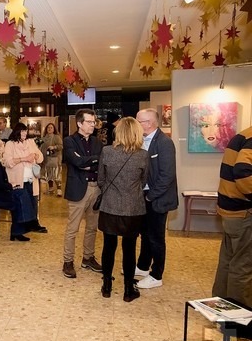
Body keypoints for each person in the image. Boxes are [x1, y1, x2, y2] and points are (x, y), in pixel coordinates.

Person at [98, 117, 148, 303]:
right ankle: (128, 289)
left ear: (118, 132)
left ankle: (106, 286)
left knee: (108, 247)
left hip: (110, 206)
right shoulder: (142, 155)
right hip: (133, 208)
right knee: (129, 249)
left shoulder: (107, 151)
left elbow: (101, 179)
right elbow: (144, 181)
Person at [135, 108, 178, 289]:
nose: (136, 125)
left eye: (139, 121)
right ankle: (143, 266)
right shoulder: (142, 141)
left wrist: (150, 197)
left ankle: (156, 274)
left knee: (156, 238)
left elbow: (166, 176)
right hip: (146, 196)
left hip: (157, 198)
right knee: (145, 234)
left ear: (149, 123)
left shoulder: (164, 143)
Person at [212, 126, 252, 307]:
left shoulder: (244, 134)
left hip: (231, 211)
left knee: (228, 262)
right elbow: (243, 171)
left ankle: (222, 311)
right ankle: (239, 321)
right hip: (243, 212)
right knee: (243, 266)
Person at [62, 108, 103, 278]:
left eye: (94, 122)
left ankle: (88, 257)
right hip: (78, 189)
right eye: (89, 122)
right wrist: (88, 161)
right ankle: (68, 261)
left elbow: (100, 163)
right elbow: (76, 161)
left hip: (96, 188)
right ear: (79, 123)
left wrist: (86, 163)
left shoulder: (97, 142)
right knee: (73, 229)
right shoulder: (69, 141)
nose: (93, 125)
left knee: (92, 228)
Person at [4, 122, 47, 240]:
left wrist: (35, 156)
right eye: (22, 131)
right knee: (20, 206)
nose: (24, 133)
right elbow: (7, 162)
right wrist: (24, 159)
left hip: (31, 180)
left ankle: (29, 227)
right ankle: (17, 232)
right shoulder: (10, 144)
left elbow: (41, 157)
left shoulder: (30, 142)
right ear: (17, 132)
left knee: (32, 204)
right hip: (18, 181)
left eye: (25, 131)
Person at [39, 122, 63, 197]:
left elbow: (61, 146)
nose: (49, 129)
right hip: (46, 159)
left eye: (51, 127)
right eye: (48, 128)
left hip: (55, 159)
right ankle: (51, 189)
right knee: (48, 175)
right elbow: (40, 147)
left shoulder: (56, 137)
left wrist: (54, 147)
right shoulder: (43, 138)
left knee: (56, 175)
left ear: (54, 129)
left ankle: (59, 190)